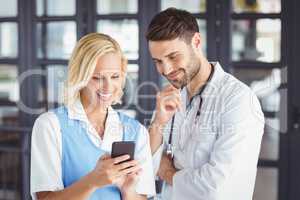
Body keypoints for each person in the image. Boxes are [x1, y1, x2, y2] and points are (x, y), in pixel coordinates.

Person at [146, 8, 265, 200]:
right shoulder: (170, 97)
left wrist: (168, 173)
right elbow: (144, 165)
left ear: (196, 42)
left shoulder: (239, 100)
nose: (166, 69)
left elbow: (218, 188)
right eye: (158, 61)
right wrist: (158, 121)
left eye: (173, 57)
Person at [30, 33, 156, 200]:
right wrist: (93, 181)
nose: (108, 87)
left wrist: (128, 191)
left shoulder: (137, 131)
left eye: (115, 77)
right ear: (80, 77)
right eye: (97, 78)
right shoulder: (50, 125)